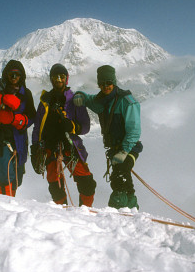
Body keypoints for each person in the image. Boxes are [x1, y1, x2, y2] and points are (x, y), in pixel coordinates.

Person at [73, 65, 143, 209]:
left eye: (109, 83)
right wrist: (80, 94)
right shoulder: (101, 101)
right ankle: (132, 207)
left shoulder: (126, 101)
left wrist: (124, 151)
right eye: (102, 84)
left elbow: (134, 130)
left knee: (119, 177)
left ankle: (117, 208)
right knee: (124, 177)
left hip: (129, 148)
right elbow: (88, 99)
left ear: (114, 82)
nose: (106, 86)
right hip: (115, 149)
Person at [31, 63, 96, 207]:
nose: (58, 80)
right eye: (55, 77)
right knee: (55, 185)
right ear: (51, 79)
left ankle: (85, 211)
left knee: (87, 182)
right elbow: (37, 127)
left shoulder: (74, 100)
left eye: (61, 76)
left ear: (66, 79)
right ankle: (62, 212)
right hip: (50, 147)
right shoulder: (45, 101)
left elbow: (85, 126)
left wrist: (73, 126)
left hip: (70, 147)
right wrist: (34, 147)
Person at [0, 59, 36, 197]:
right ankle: (5, 203)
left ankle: (8, 200)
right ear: (6, 75)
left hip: (19, 139)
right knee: (6, 173)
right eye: (11, 74)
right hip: (1, 137)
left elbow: (32, 116)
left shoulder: (25, 93)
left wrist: (20, 120)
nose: (14, 78)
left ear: (22, 76)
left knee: (17, 175)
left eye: (17, 74)